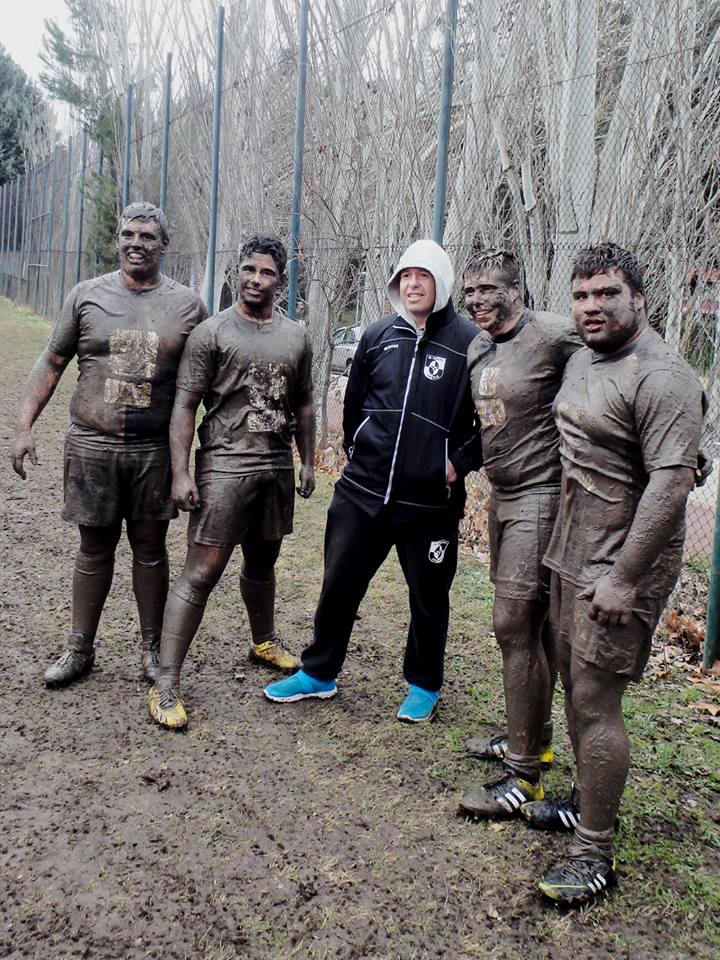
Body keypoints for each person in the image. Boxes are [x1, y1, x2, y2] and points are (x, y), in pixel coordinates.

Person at [528, 243, 705, 904]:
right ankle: (584, 801)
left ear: (640, 299)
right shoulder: (583, 355)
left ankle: (594, 852)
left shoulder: (664, 375)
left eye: (607, 293)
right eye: (581, 295)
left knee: (596, 698)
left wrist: (626, 579)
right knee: (574, 686)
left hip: (622, 562)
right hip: (570, 550)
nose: (591, 307)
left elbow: (671, 485)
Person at [263, 238, 483, 722]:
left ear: (442, 282)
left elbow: (492, 422)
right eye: (406, 276)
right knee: (338, 584)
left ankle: (423, 684)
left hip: (430, 503)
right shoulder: (379, 335)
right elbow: (355, 403)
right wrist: (360, 450)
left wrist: (457, 462)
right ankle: (319, 672)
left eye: (423, 276)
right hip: (363, 493)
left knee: (428, 598)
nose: (413, 285)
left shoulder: (471, 343)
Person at [10, 202, 207, 687]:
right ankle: (80, 648)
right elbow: (52, 361)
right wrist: (23, 426)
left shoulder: (187, 306)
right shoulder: (86, 296)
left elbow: (203, 384)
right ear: (118, 239)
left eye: (147, 236)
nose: (136, 243)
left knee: (150, 548)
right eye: (128, 234)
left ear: (164, 245)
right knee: (94, 547)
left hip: (153, 452)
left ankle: (152, 649)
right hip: (91, 447)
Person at [148, 233, 316, 730]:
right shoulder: (211, 333)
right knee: (201, 573)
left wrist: (308, 461)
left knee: (263, 562)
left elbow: (305, 402)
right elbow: (184, 405)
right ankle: (165, 682)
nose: (255, 280)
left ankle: (263, 640)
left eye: (266, 272)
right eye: (248, 269)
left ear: (281, 281)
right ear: (236, 272)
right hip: (224, 467)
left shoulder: (296, 336)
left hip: (274, 468)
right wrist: (182, 472)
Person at [456, 250, 581, 820]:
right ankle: (533, 736)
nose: (477, 300)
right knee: (529, 629)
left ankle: (524, 775)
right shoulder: (478, 347)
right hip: (502, 496)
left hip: (543, 494)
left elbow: (621, 365)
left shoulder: (554, 334)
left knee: (511, 624)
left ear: (517, 289)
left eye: (489, 289)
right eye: (469, 291)